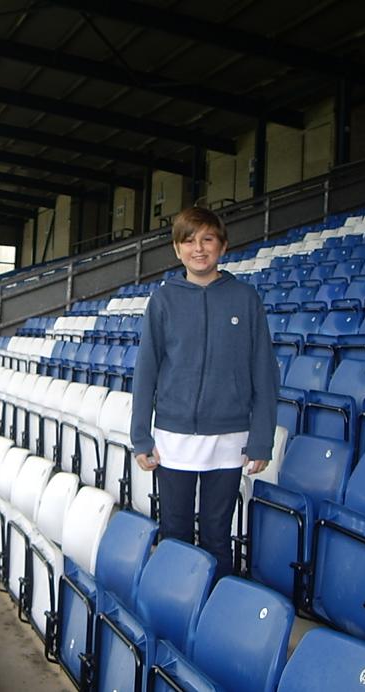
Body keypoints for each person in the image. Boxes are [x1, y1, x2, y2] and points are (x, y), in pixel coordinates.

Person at [130, 206, 278, 583]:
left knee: (217, 535)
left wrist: (261, 440)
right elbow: (146, 372)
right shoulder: (163, 300)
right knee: (175, 531)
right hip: (174, 438)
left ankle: (214, 604)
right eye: (189, 241)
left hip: (228, 440)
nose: (199, 248)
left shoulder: (246, 299)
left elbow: (264, 373)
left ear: (223, 246)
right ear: (177, 249)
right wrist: (141, 436)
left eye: (207, 239)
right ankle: (173, 603)